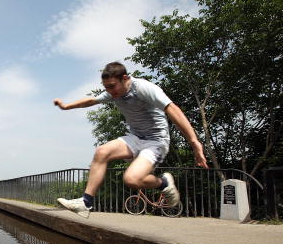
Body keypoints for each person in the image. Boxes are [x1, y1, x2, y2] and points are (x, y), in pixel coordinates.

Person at [54, 61, 208, 218]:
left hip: (156, 141)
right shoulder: (113, 91)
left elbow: (173, 109)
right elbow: (91, 101)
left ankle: (163, 183)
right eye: (106, 87)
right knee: (102, 152)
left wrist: (194, 143)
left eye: (112, 86)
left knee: (131, 179)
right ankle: (85, 203)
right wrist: (67, 106)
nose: (109, 91)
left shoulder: (143, 88)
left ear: (125, 78)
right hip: (135, 137)